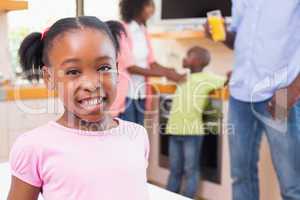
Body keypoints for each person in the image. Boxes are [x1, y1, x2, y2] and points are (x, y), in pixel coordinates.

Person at [8, 16, 150, 200]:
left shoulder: (137, 135)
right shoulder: (34, 147)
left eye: (104, 67)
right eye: (73, 72)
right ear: (49, 78)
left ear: (116, 69)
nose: (92, 84)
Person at [205, 1, 300, 199]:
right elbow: (239, 38)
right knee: (241, 177)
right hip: (240, 94)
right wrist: (221, 34)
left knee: (291, 183)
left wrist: (294, 89)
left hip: (281, 93)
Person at [165, 46, 226, 199]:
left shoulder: (208, 78)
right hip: (174, 130)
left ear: (198, 61)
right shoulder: (182, 77)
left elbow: (225, 81)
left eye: (188, 55)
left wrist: (231, 76)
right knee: (174, 169)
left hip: (192, 132)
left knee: (190, 169)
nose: (184, 58)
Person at [112, 0, 185, 125]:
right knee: (127, 136)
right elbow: (131, 67)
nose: (152, 9)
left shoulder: (143, 31)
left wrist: (169, 70)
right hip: (126, 95)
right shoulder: (121, 29)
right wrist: (166, 74)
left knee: (139, 134)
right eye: (148, 5)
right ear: (136, 6)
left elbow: (151, 62)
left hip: (141, 94)